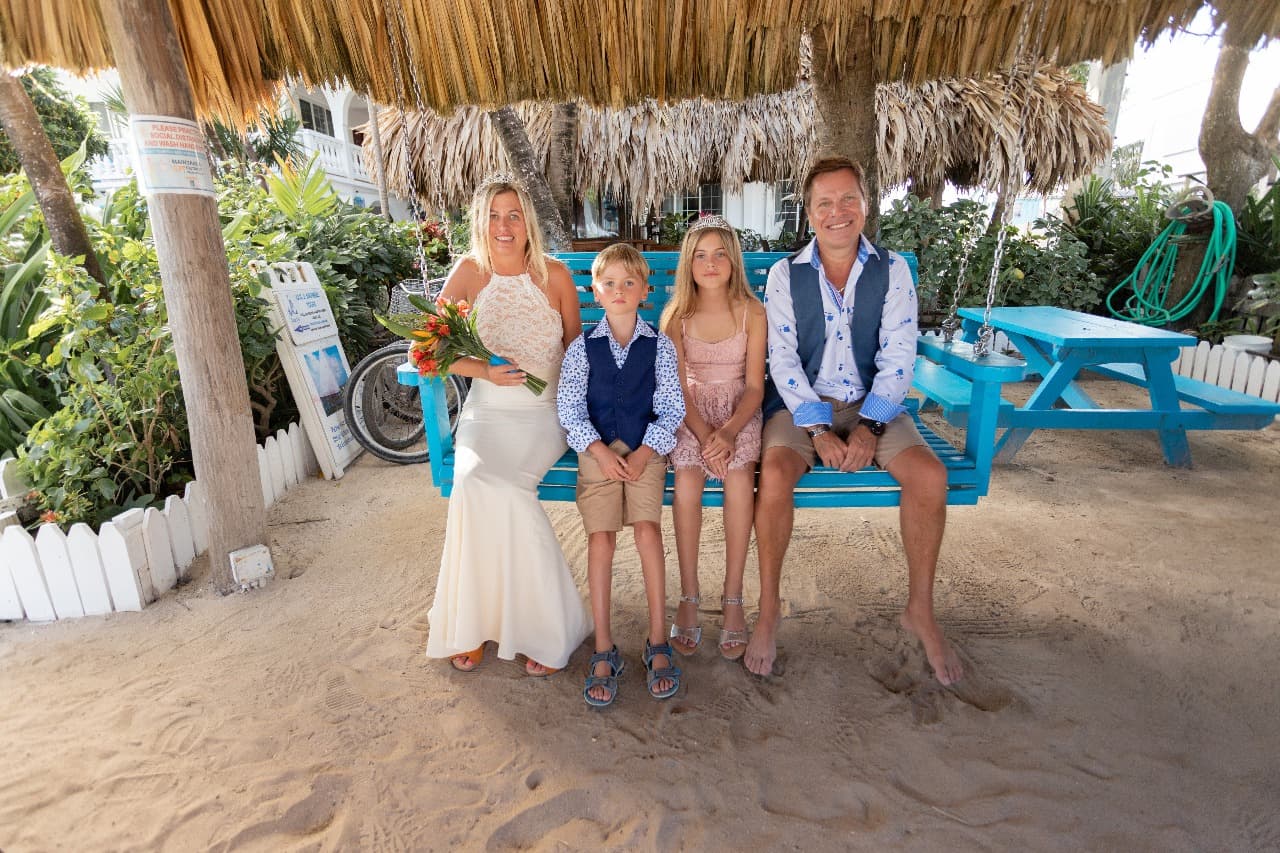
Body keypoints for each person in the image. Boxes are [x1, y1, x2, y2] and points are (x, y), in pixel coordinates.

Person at [745, 157, 964, 686]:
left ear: (866, 205)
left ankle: (921, 610)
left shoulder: (893, 271)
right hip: (802, 408)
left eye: (848, 200)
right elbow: (783, 360)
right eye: (825, 202)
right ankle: (769, 608)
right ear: (809, 212)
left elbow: (899, 358)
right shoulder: (784, 275)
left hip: (873, 405)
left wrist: (869, 426)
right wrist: (819, 429)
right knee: (773, 475)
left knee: (930, 477)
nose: (837, 212)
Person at [424, 175, 590, 677]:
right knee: (474, 484)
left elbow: (578, 353)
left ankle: (548, 627)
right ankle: (471, 624)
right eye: (494, 215)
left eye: (513, 215)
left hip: (542, 416)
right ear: (481, 222)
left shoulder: (556, 275)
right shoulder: (469, 274)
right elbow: (431, 350)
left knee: (510, 491)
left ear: (528, 223)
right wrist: (483, 370)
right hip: (487, 412)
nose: (504, 225)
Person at [557, 244, 686, 706]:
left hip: (646, 451)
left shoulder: (660, 345)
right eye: (608, 283)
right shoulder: (582, 348)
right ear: (595, 291)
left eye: (628, 283)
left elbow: (671, 406)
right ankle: (605, 647)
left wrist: (647, 450)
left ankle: (656, 640)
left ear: (645, 292)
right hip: (596, 452)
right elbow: (570, 407)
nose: (618, 290)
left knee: (648, 531)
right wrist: (597, 450)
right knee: (601, 540)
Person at [660, 216, 767, 661]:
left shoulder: (751, 312)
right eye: (700, 255)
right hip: (691, 414)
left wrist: (727, 432)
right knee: (687, 484)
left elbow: (757, 386)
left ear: (733, 260)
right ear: (688, 263)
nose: (710, 263)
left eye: (719, 253)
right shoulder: (677, 316)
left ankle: (733, 598)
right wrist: (704, 435)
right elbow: (675, 386)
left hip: (739, 414)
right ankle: (688, 595)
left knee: (741, 481)